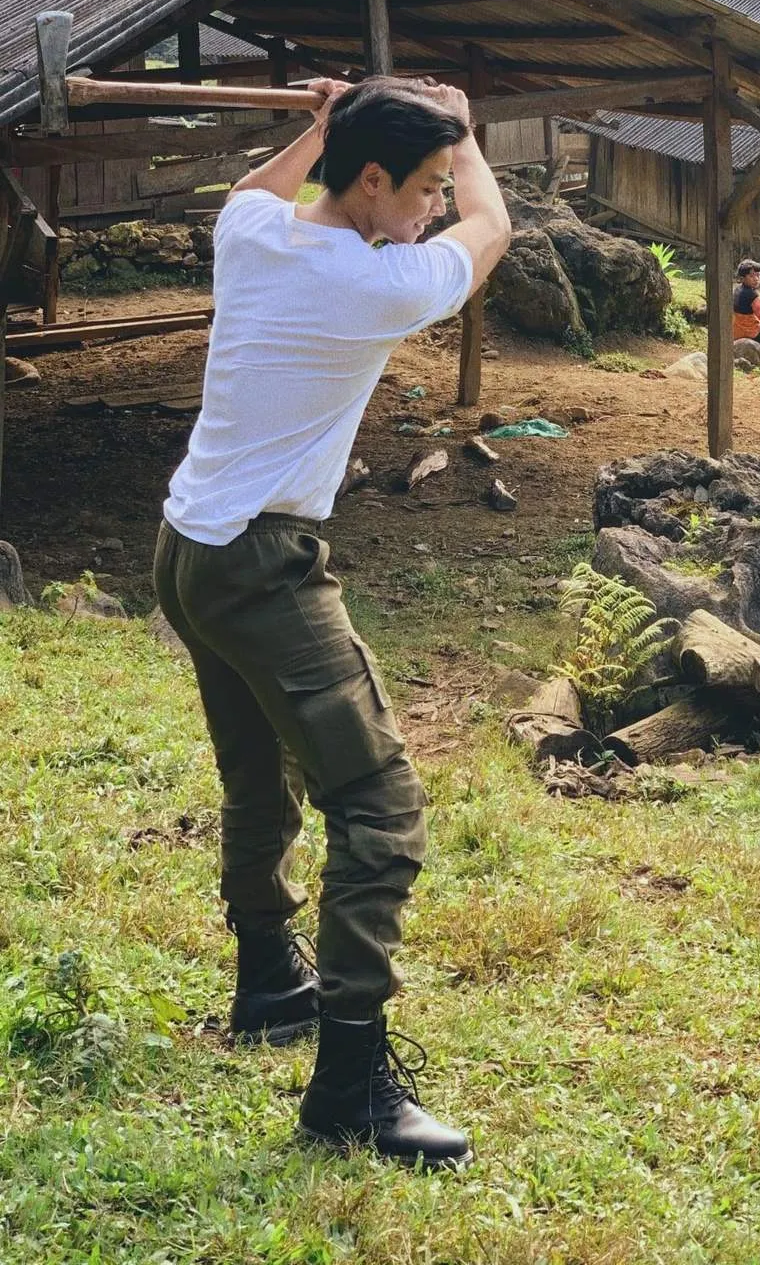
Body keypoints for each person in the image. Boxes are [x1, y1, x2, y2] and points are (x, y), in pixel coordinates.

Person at [153, 76, 511, 1169]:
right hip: (261, 562)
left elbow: (257, 187)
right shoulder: (373, 284)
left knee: (258, 773)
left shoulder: (251, 230)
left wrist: (323, 121)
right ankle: (350, 1082)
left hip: (188, 549)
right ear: (369, 180)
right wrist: (470, 126)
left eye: (440, 189)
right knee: (380, 804)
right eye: (423, 189)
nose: (434, 211)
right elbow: (494, 226)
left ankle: (269, 975)